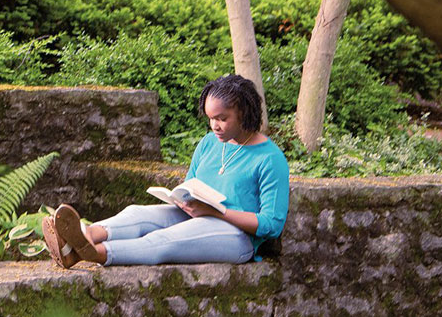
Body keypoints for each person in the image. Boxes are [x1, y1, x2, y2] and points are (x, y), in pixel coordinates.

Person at [43, 74, 289, 268]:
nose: (214, 125)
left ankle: (95, 254)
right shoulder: (209, 143)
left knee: (166, 239)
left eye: (222, 118)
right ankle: (83, 239)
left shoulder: (270, 159)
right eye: (210, 118)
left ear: (244, 113)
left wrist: (218, 212)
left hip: (236, 237)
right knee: (137, 213)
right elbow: (191, 185)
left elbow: (271, 224)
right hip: (201, 215)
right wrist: (183, 200)